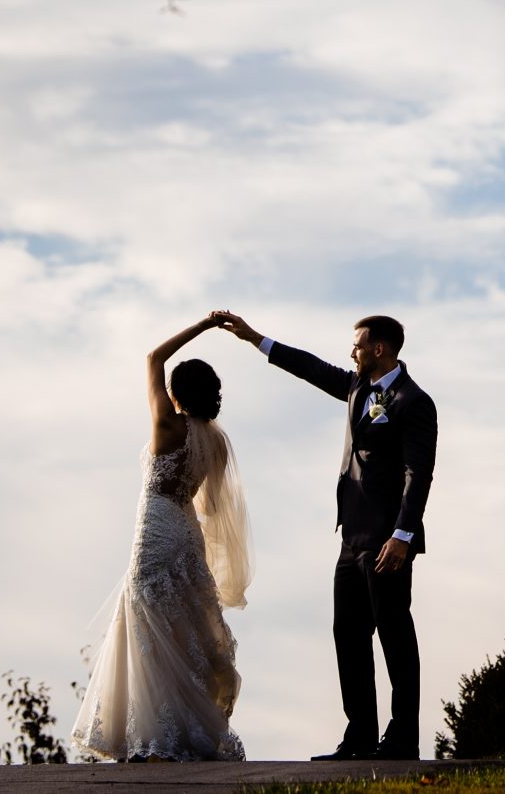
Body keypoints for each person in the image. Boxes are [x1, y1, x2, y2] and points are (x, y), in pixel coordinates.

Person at [214, 309, 435, 761]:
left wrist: (403, 535)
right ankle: (359, 735)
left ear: (379, 349)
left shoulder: (414, 402)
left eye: (357, 344)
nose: (350, 352)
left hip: (388, 541)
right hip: (350, 538)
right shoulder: (357, 387)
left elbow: (419, 473)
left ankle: (401, 739)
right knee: (348, 636)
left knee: (394, 636)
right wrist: (257, 339)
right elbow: (312, 368)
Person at [69, 315, 253, 762]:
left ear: (176, 394)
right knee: (183, 629)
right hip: (186, 533)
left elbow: (153, 357)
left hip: (155, 529)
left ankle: (154, 736)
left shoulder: (165, 426)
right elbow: (209, 506)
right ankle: (179, 729)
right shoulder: (216, 442)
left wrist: (204, 326)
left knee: (148, 625)